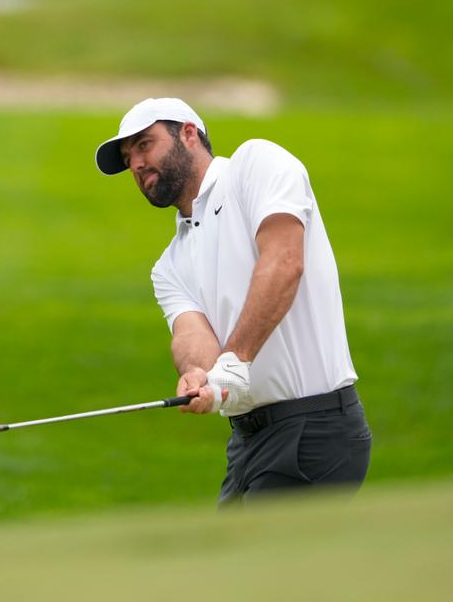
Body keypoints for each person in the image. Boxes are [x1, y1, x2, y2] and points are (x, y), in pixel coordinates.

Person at [94, 98, 371, 505]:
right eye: (127, 157)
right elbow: (191, 333)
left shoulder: (255, 165)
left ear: (189, 134)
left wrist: (234, 362)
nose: (135, 164)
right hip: (247, 442)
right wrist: (199, 375)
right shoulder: (169, 264)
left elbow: (285, 262)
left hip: (314, 427)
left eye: (144, 145)